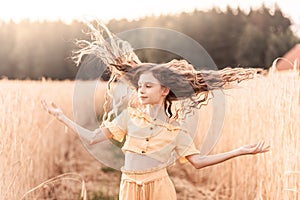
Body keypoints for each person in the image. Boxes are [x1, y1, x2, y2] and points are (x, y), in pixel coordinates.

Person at [41, 22, 270, 200]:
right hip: (129, 187)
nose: (141, 91)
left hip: (160, 188)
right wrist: (61, 117)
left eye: (148, 86)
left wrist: (240, 151)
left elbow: (198, 162)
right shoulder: (129, 117)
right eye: (140, 86)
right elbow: (92, 138)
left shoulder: (175, 130)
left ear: (164, 91)